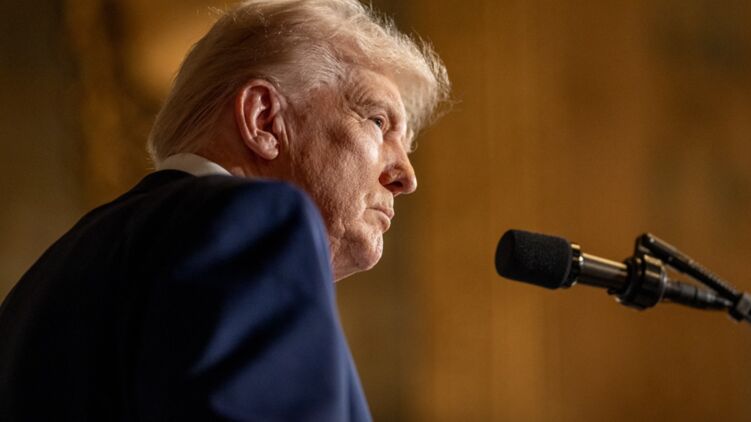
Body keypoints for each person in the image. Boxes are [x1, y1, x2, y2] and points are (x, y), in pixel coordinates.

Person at [0, 0, 449, 420]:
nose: (406, 176)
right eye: (377, 121)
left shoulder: (46, 277)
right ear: (264, 119)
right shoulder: (255, 220)